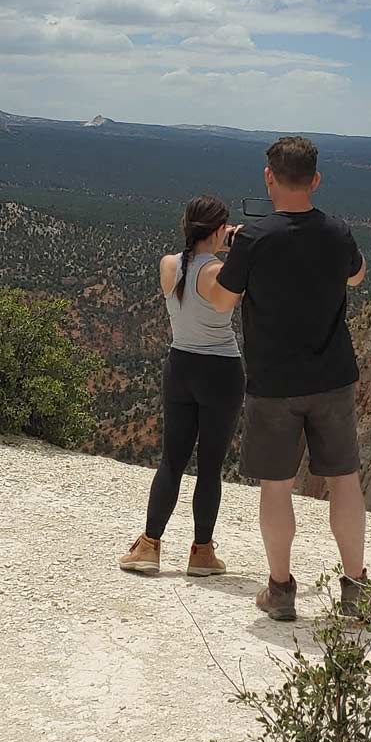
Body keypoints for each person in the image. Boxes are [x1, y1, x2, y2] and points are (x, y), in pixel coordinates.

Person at [200, 135, 371, 622]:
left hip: (274, 383)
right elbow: (357, 277)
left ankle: (280, 591)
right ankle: (356, 589)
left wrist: (221, 256)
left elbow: (221, 301)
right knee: (345, 482)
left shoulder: (255, 239)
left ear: (269, 177)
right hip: (333, 377)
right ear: (315, 180)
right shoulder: (338, 232)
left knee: (276, 488)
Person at [118, 195, 245, 578]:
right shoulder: (220, 272)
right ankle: (202, 552)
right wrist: (239, 254)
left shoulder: (169, 265)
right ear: (220, 229)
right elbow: (225, 303)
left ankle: (148, 545)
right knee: (210, 466)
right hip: (221, 371)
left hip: (180, 366)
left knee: (171, 460)